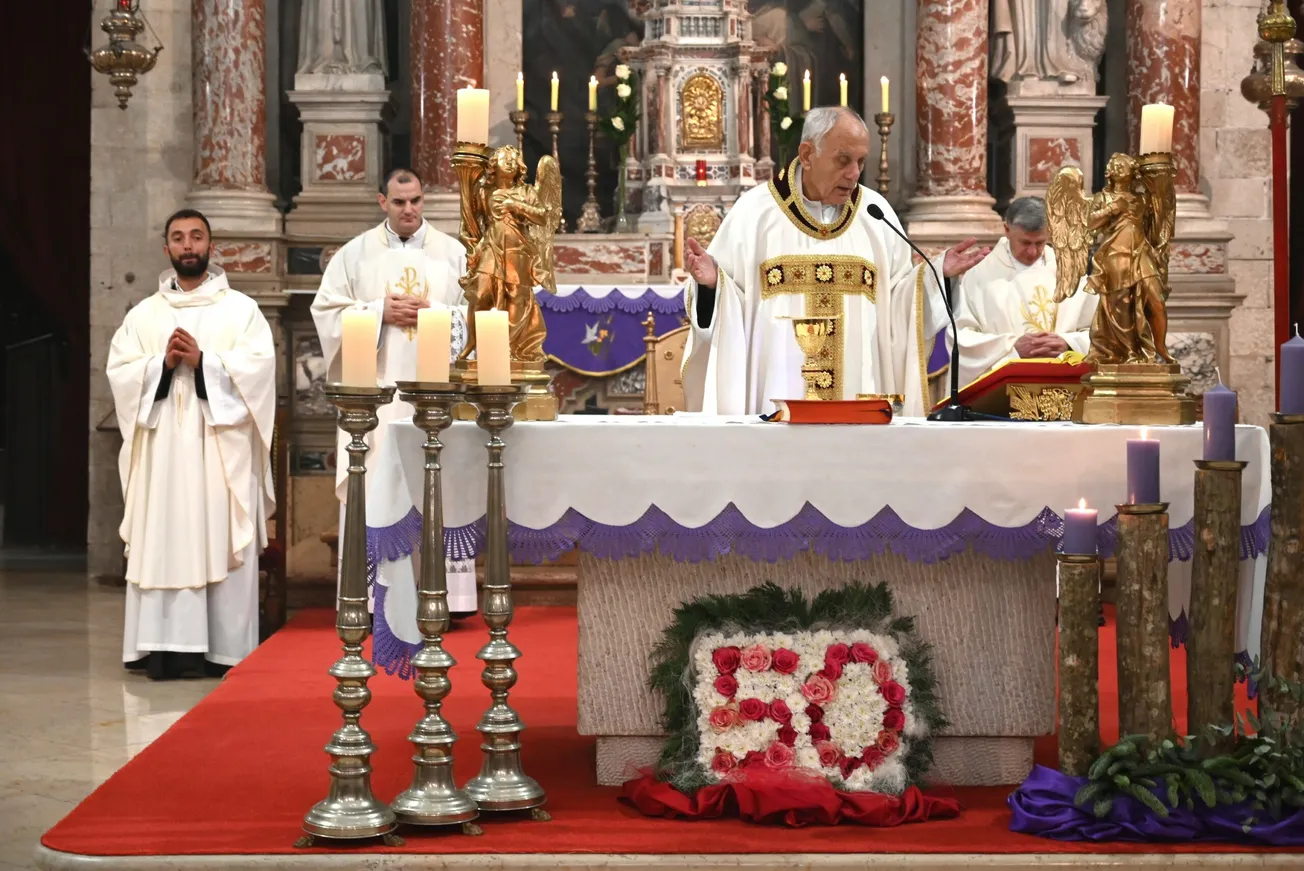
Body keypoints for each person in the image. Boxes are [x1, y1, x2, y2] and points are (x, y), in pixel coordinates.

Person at [680, 106, 987, 416]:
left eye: (861, 161)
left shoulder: (875, 215)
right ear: (807, 153)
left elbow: (897, 308)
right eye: (843, 160)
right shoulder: (754, 215)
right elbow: (728, 318)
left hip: (859, 404)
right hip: (776, 404)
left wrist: (935, 278)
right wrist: (712, 286)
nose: (854, 173)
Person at [108, 209, 276, 680]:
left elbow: (260, 371)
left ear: (211, 246)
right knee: (163, 534)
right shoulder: (144, 315)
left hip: (219, 453)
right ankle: (161, 649)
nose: (187, 245)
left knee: (219, 535)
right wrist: (160, 366)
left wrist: (205, 364)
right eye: (178, 238)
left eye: (196, 237)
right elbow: (120, 375)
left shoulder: (240, 310)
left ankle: (221, 650)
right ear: (166, 248)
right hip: (163, 453)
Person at [310, 168, 477, 617]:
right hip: (377, 398)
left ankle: (442, 597)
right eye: (399, 202)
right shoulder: (354, 254)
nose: (409, 210)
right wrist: (376, 311)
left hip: (434, 398)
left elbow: (480, 315)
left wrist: (438, 315)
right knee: (376, 482)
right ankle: (367, 598)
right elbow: (326, 313)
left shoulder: (454, 253)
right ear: (382, 202)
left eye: (417, 201)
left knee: (435, 485)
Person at [951, 196, 1096, 387]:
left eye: (1040, 243)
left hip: (1064, 386)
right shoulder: (979, 276)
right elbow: (960, 338)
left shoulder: (1070, 272)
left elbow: (1098, 333)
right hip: (1003, 388)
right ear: (1007, 230)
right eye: (1025, 243)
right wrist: (1011, 348)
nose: (1032, 252)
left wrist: (1068, 343)